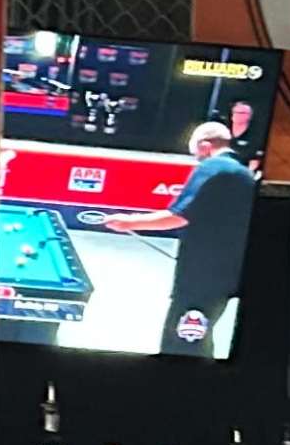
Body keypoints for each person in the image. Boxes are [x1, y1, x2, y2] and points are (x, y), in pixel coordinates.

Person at [96, 119, 261, 356]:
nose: (197, 159)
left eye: (196, 153)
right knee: (202, 332)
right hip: (228, 269)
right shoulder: (244, 173)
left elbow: (179, 216)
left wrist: (128, 221)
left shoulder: (212, 168)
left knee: (184, 337)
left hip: (202, 271)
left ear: (205, 145)